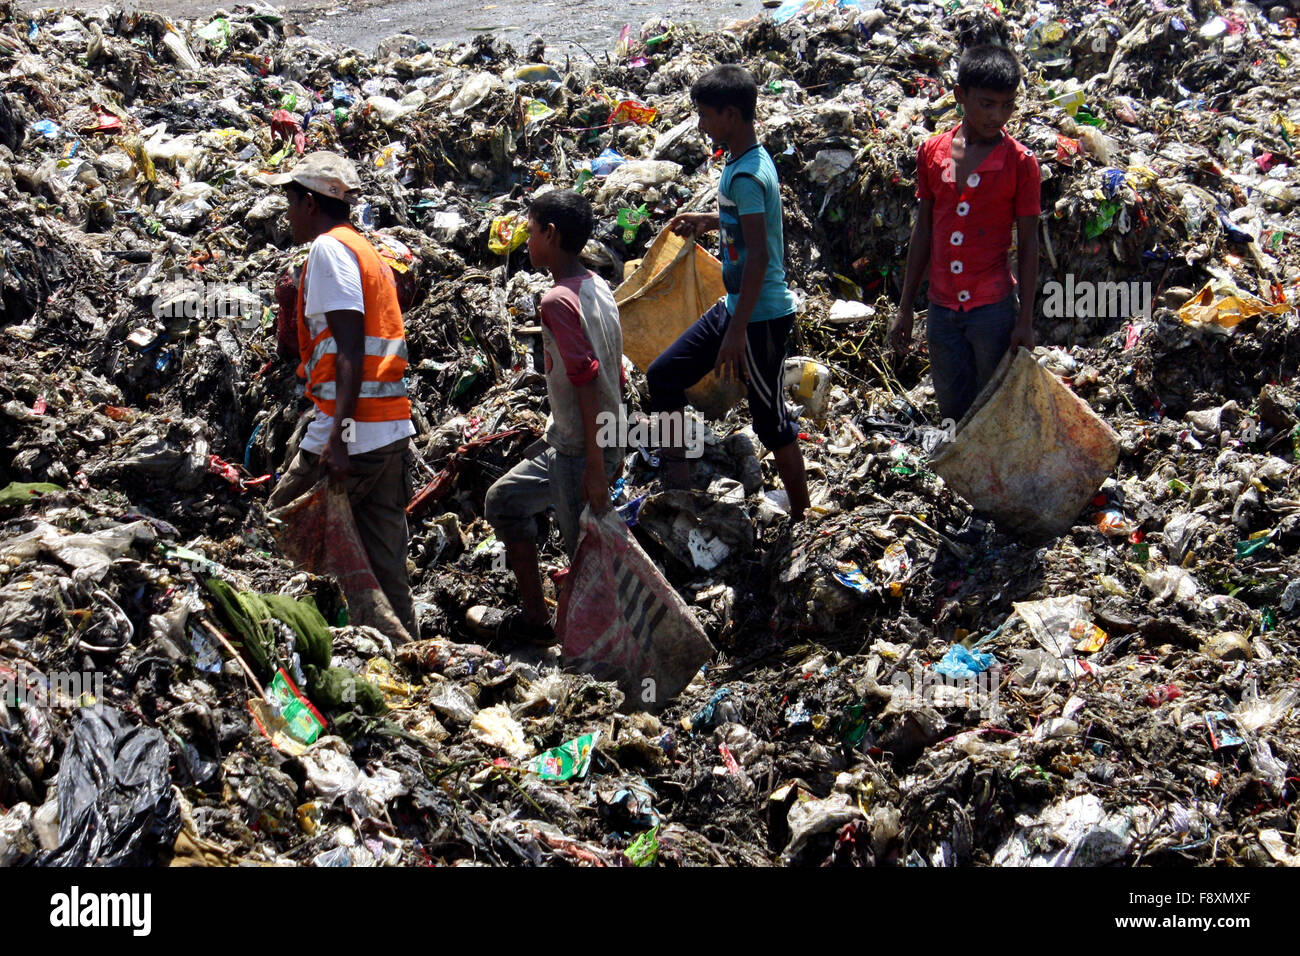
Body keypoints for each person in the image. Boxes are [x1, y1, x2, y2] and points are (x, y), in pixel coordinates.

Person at [261, 152, 418, 643]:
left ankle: (289, 644)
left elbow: (350, 345)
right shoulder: (365, 250)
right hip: (391, 427)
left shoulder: (329, 251)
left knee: (277, 532)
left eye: (290, 201)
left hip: (353, 431)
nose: (287, 214)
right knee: (385, 557)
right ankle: (410, 658)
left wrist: (340, 438)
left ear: (310, 202)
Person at [647, 64, 810, 522]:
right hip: (737, 307)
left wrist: (736, 333)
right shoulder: (744, 162)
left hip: (759, 318)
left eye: (705, 115)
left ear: (732, 115)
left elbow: (758, 256)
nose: (699, 124)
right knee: (663, 375)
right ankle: (677, 476)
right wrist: (708, 222)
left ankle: (803, 518)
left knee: (771, 422)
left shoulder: (746, 175)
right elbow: (752, 226)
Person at [468, 190, 624, 645]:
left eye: (531, 230)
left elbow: (589, 381)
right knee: (504, 501)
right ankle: (539, 621)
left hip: (584, 452)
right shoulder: (596, 285)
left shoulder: (557, 301)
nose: (527, 239)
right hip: (580, 440)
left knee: (585, 558)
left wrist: (595, 467)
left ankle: (597, 654)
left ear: (550, 234)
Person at [891, 44, 1042, 425]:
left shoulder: (1020, 163)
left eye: (1007, 105)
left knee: (996, 410)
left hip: (992, 309)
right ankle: (964, 485)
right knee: (953, 411)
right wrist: (906, 306)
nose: (998, 116)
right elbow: (924, 230)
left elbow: (1028, 245)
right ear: (959, 95)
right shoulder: (932, 152)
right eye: (987, 104)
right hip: (941, 310)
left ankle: (998, 484)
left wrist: (1024, 319)